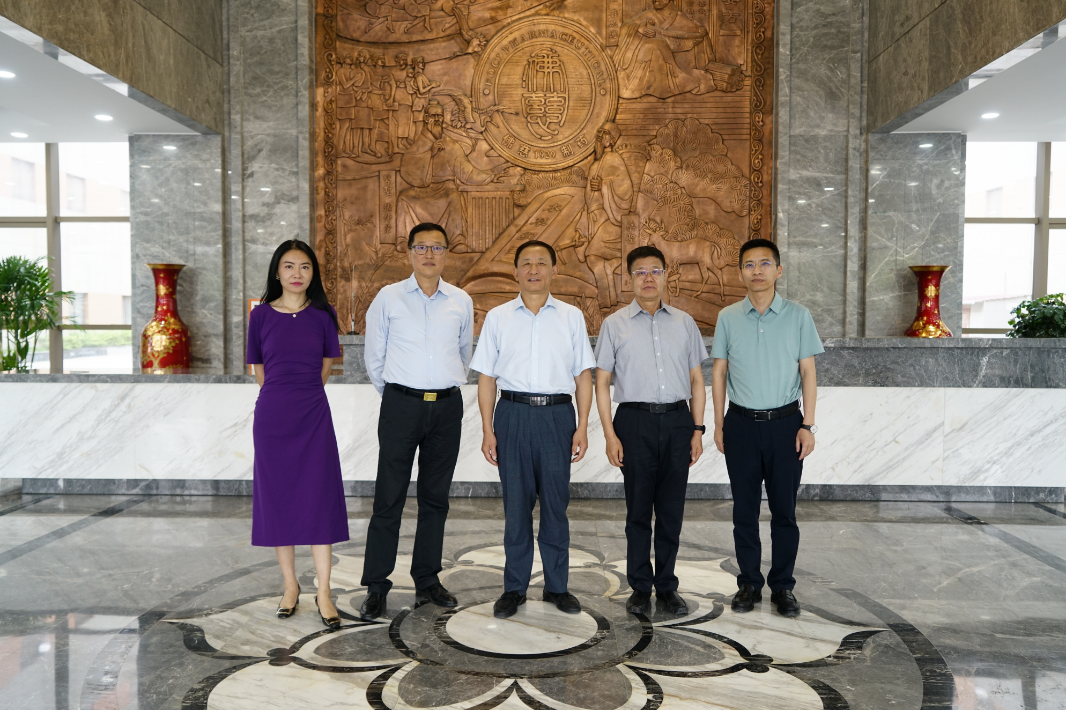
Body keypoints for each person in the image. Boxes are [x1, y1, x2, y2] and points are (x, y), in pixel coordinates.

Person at [470, 240, 596, 619]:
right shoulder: (498, 317)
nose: (534, 269)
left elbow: (583, 376)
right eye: (526, 263)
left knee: (556, 505)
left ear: (554, 270)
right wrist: (488, 429)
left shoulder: (571, 317)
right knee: (516, 507)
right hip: (512, 415)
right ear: (515, 272)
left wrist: (582, 427)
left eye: (541, 262)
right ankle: (514, 588)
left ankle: (557, 586)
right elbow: (487, 378)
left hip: (557, 417)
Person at [358, 223, 474, 620]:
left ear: (446, 254)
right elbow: (374, 357)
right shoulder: (388, 298)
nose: (428, 254)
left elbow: (463, 352)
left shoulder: (460, 300)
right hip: (401, 406)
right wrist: (398, 394)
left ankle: (427, 579)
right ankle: (376, 584)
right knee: (388, 497)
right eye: (421, 247)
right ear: (409, 253)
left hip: (446, 407)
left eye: (436, 247)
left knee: (435, 498)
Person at [710, 238, 822, 619]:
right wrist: (719, 423)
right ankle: (748, 583)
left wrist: (808, 424)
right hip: (740, 424)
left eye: (764, 264)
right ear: (740, 272)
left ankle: (783, 586)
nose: (756, 271)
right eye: (749, 265)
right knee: (744, 510)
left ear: (778, 270)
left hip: (786, 426)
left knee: (784, 511)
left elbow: (808, 372)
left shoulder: (798, 316)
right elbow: (719, 372)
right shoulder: (728, 317)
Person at [594, 245, 707, 617]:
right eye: (640, 271)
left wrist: (697, 430)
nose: (648, 278)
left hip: (677, 421)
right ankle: (641, 587)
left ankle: (668, 586)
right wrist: (610, 435)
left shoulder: (684, 323)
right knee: (639, 511)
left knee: (671, 511)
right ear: (629, 278)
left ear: (665, 275)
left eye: (655, 271)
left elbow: (696, 380)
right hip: (634, 422)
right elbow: (602, 382)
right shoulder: (614, 324)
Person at [247, 239, 348, 630]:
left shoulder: (323, 314)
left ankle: (324, 591)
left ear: (313, 274)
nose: (296, 273)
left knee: (318, 498)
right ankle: (290, 586)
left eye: (305, 267)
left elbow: (325, 367)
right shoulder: (260, 316)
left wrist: (303, 395)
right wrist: (282, 397)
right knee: (279, 501)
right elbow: (259, 370)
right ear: (277, 271)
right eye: (289, 266)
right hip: (273, 417)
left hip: (313, 414)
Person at [396, 99, 502, 253]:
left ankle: (456, 240)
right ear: (426, 118)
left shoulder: (450, 144)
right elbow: (408, 166)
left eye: (440, 116)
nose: (437, 119)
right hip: (422, 189)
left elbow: (466, 170)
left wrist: (489, 177)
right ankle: (404, 239)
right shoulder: (419, 144)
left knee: (454, 197)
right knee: (403, 198)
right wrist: (430, 154)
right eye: (433, 116)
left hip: (446, 188)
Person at [575, 122, 633, 310]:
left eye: (606, 133)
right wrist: (581, 228)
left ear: (613, 139)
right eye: (599, 131)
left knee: (593, 258)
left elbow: (626, 192)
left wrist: (604, 186)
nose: (601, 135)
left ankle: (605, 304)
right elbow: (588, 203)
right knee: (600, 262)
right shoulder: (595, 165)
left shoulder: (615, 159)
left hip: (610, 220)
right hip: (595, 220)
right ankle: (610, 303)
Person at [613, 0, 718, 99]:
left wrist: (701, 32)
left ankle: (673, 83)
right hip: (641, 66)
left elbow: (697, 32)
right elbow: (626, 26)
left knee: (658, 44)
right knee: (655, 44)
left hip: (674, 64)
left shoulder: (679, 17)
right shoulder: (649, 14)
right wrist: (637, 28)